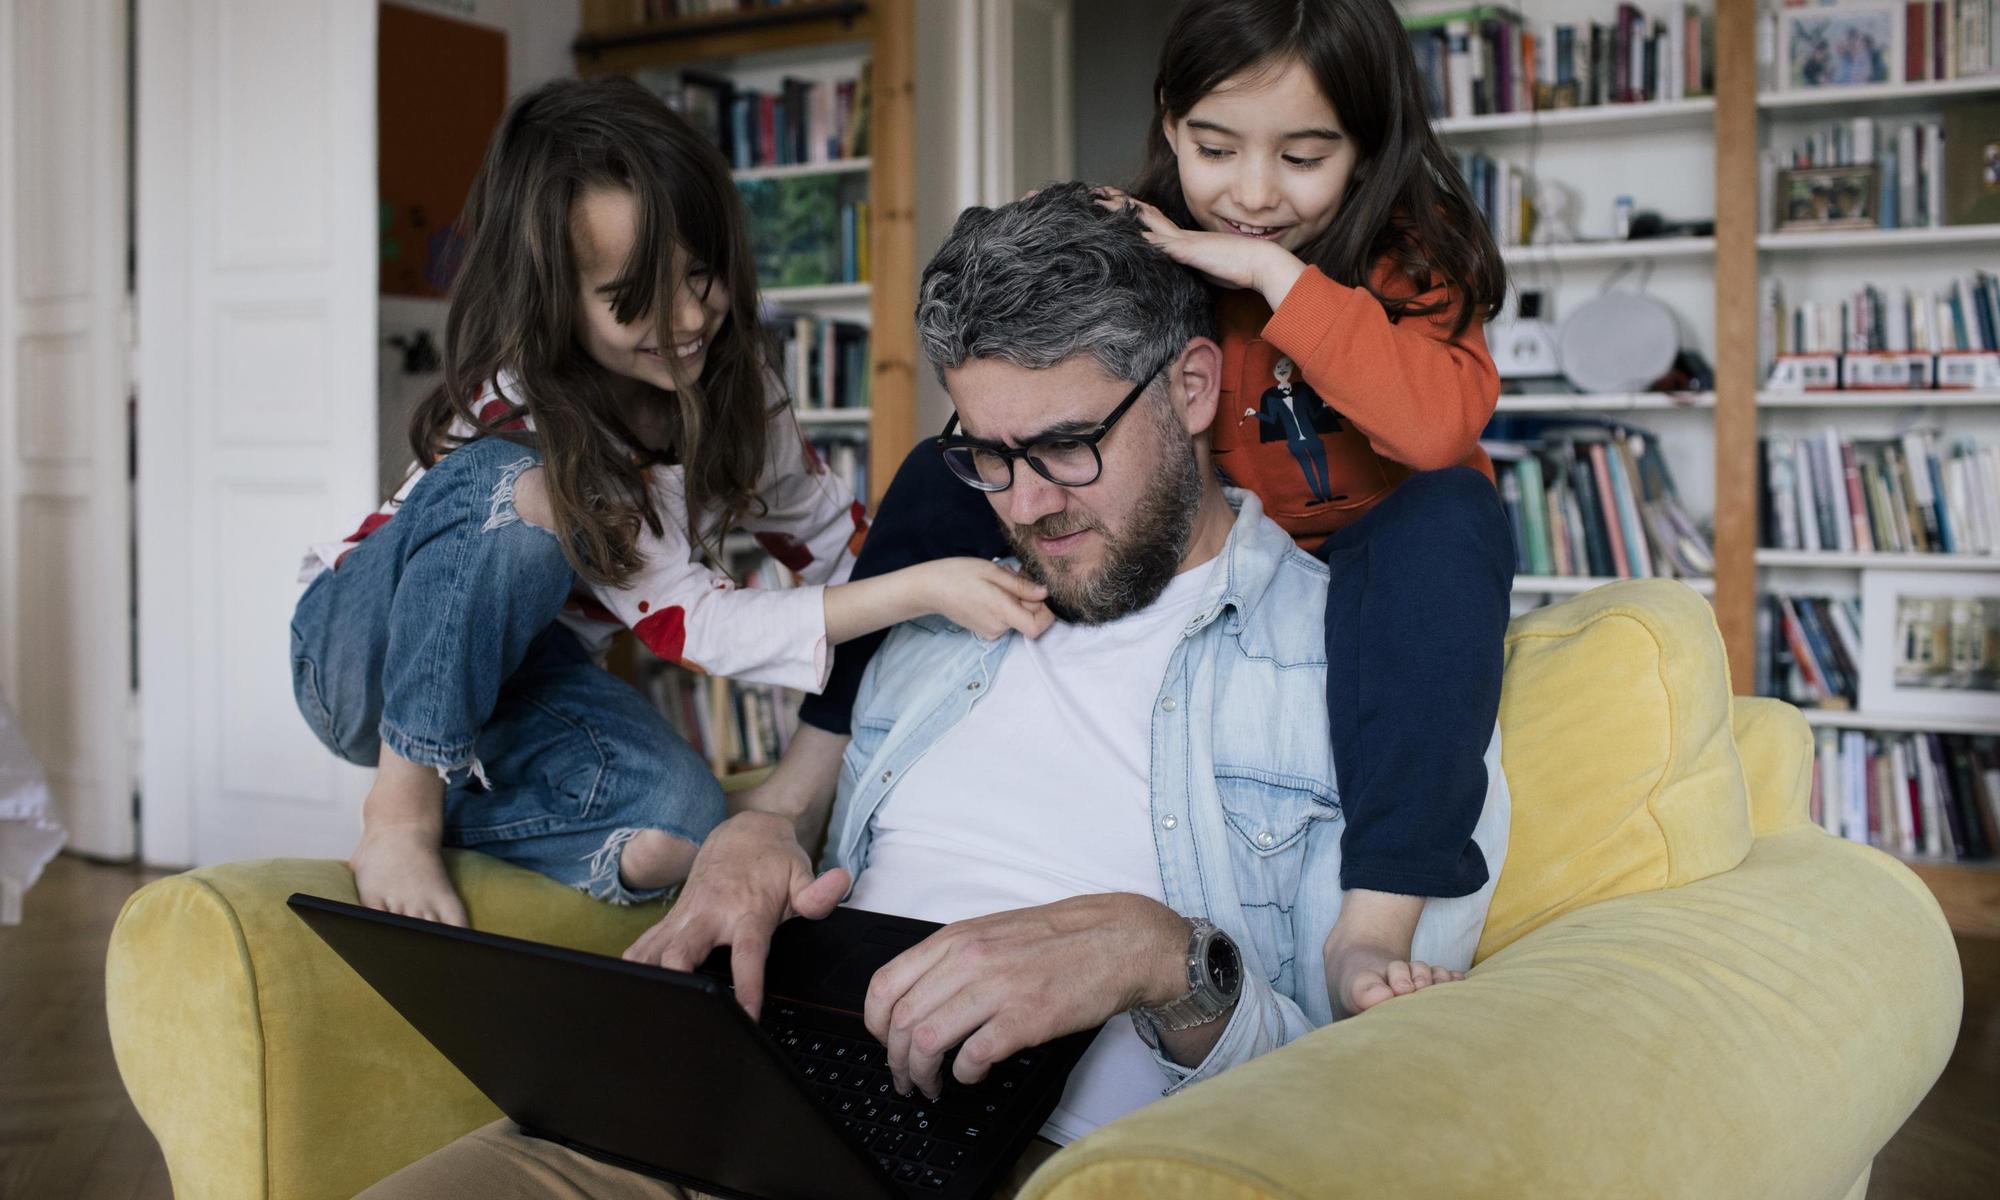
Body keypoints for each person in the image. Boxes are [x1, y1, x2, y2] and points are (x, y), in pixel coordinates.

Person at [359, 180, 1508, 1200]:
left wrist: (1162, 960)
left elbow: (1368, 1106)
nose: (1025, 504)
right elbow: (802, 789)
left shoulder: (1360, 658)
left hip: (1033, 1158)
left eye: (1064, 445)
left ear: (1193, 386)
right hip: (726, 1097)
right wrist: (756, 839)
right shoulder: (938, 614)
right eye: (985, 455)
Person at [715, 0, 1516, 1020]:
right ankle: (796, 785)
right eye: (1214, 147)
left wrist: (1274, 279)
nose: (1253, 195)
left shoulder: (1411, 259)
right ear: (1170, 126)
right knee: (931, 471)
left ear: (1365, 151)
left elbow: (1433, 433)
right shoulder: (1159, 237)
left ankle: (1372, 926)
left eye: (1302, 156)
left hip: (1379, 535)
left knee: (1450, 515)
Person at [289, 77, 1053, 928]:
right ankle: (401, 808)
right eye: (633, 301)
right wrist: (921, 588)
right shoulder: (523, 407)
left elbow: (830, 537)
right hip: (356, 656)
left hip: (518, 683)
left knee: (678, 824)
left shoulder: (737, 389)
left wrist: (921, 627)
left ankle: (499, 810)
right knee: (520, 498)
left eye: (702, 275)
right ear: (555, 302)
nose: (689, 318)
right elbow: (694, 621)